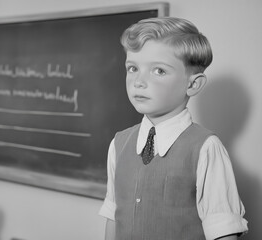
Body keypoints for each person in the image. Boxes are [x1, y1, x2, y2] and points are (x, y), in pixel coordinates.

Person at [98, 17, 248, 240]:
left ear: (192, 84)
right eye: (132, 68)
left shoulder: (206, 148)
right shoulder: (119, 144)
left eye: (158, 71)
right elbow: (113, 215)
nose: (138, 81)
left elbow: (223, 229)